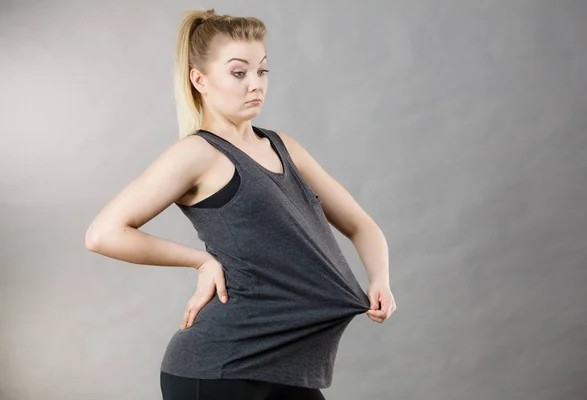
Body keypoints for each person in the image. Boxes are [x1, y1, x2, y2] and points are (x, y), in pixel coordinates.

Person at [85, 8, 396, 400]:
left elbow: (361, 226)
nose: (256, 84)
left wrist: (380, 279)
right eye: (239, 72)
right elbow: (102, 234)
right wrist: (199, 260)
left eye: (262, 71)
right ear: (199, 80)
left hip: (287, 372)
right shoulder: (197, 154)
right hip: (217, 370)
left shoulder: (284, 147)